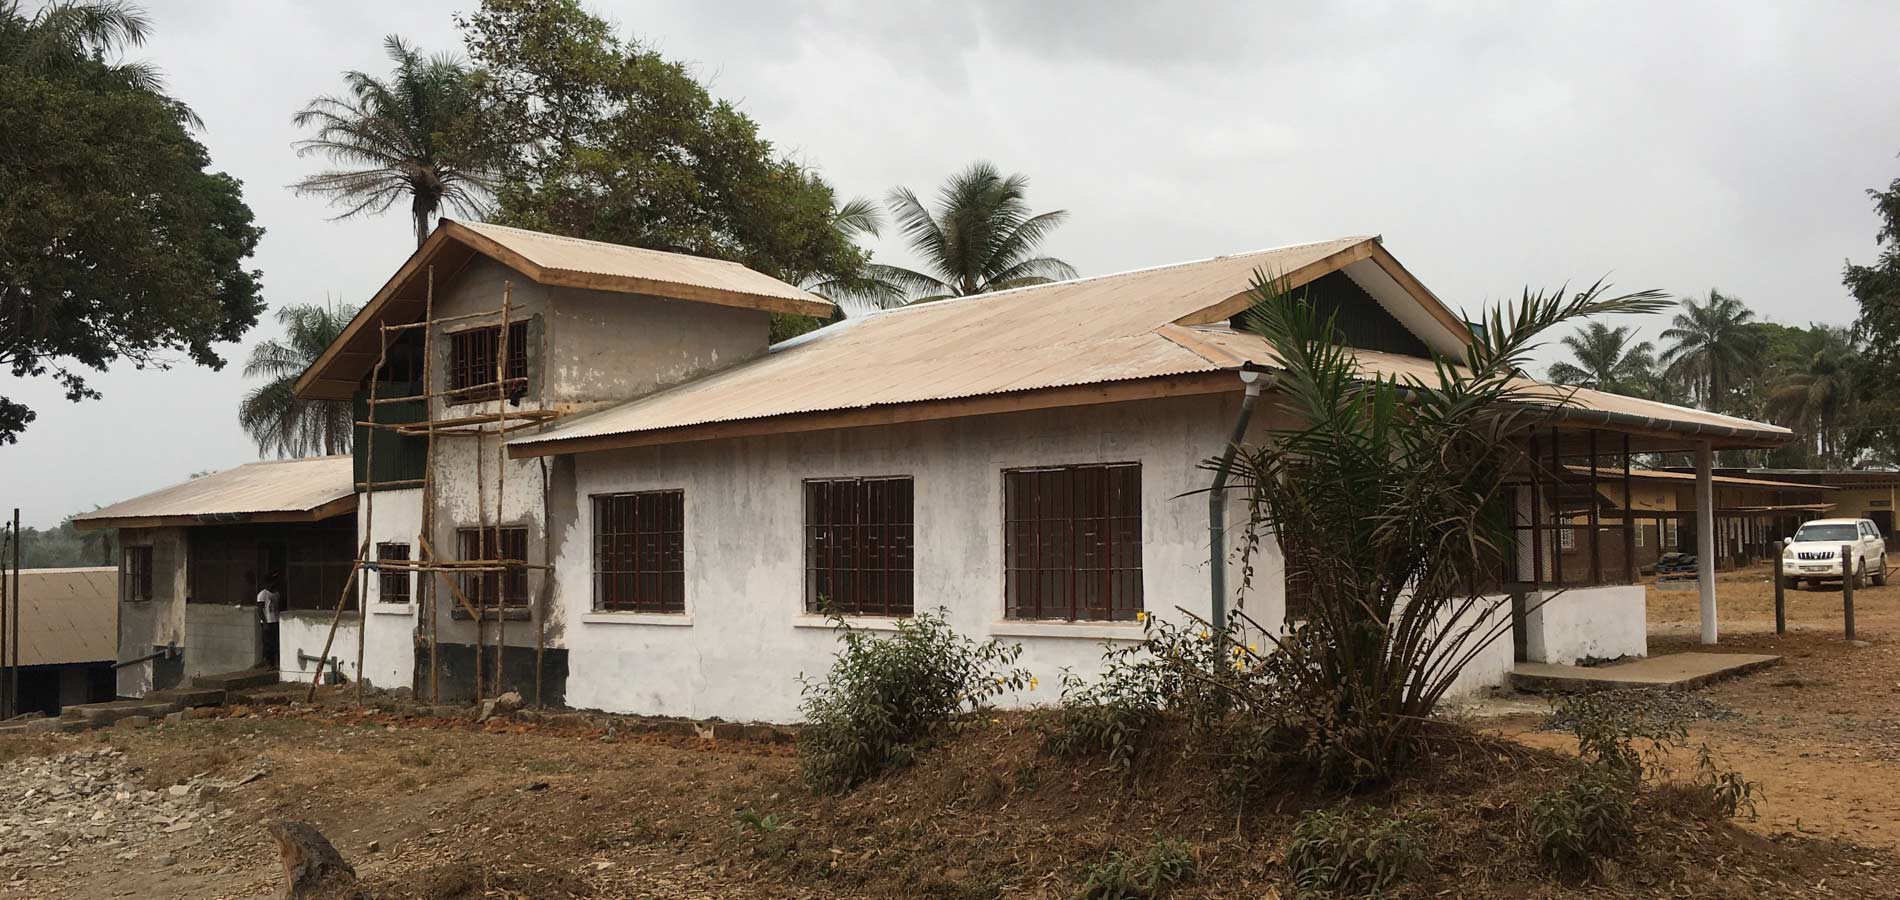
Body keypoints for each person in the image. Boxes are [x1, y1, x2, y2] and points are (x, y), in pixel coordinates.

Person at [257, 576, 281, 667]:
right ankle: (268, 663)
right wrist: (265, 623)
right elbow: (260, 609)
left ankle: (275, 663)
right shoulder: (262, 594)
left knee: (275, 643)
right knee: (267, 643)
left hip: (275, 620)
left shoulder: (276, 594)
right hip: (268, 622)